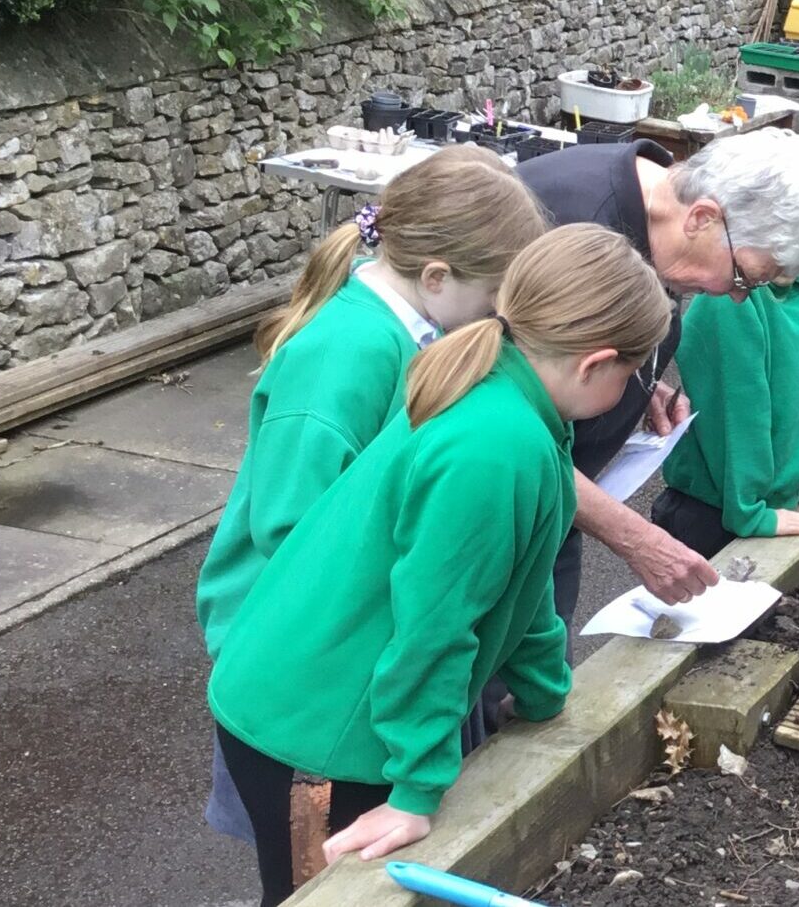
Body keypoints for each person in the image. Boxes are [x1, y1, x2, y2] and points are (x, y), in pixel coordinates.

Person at [206, 224, 670, 907]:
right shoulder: (495, 447)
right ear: (595, 364)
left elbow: (520, 585)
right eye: (630, 374)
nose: (629, 388)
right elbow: (435, 626)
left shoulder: (509, 396)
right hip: (315, 732)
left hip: (321, 699)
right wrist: (416, 790)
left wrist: (546, 694)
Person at [193, 144, 544, 842]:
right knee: (309, 866)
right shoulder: (347, 351)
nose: (502, 319)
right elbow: (289, 525)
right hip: (306, 665)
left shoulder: (418, 334)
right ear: (437, 277)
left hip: (352, 651)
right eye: (495, 298)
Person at [509, 128, 799, 620]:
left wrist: (636, 381)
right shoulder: (567, 223)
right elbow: (502, 424)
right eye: (745, 277)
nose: (737, 296)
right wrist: (636, 538)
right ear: (702, 218)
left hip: (554, 512)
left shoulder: (666, 219)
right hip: (494, 517)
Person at [650, 133, 799, 552]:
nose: (788, 274)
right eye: (763, 272)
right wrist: (750, 511)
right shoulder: (729, 297)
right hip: (717, 507)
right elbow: (738, 414)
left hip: (775, 497)